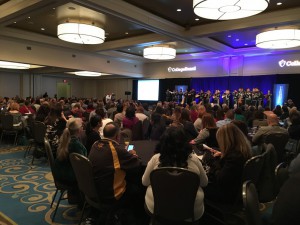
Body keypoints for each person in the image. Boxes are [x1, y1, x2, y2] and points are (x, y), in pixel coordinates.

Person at [142, 127, 208, 221]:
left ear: (163, 142)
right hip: (191, 209)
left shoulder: (155, 158)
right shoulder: (194, 159)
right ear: (185, 142)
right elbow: (204, 183)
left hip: (157, 207)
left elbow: (145, 182)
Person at [88, 122, 143, 223]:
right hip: (110, 195)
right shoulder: (117, 151)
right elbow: (137, 164)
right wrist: (133, 154)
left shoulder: (95, 144)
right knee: (138, 188)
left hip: (93, 190)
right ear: (117, 136)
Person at [204, 123, 252, 204]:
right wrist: (222, 155)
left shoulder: (234, 158)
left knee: (199, 185)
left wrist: (214, 161)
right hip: (237, 188)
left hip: (228, 195)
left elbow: (220, 179)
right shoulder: (243, 150)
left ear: (225, 141)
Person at [53, 118, 87, 203]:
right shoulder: (75, 145)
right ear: (79, 130)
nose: (83, 128)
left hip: (60, 174)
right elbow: (83, 165)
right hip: (69, 177)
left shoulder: (65, 140)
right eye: (82, 126)